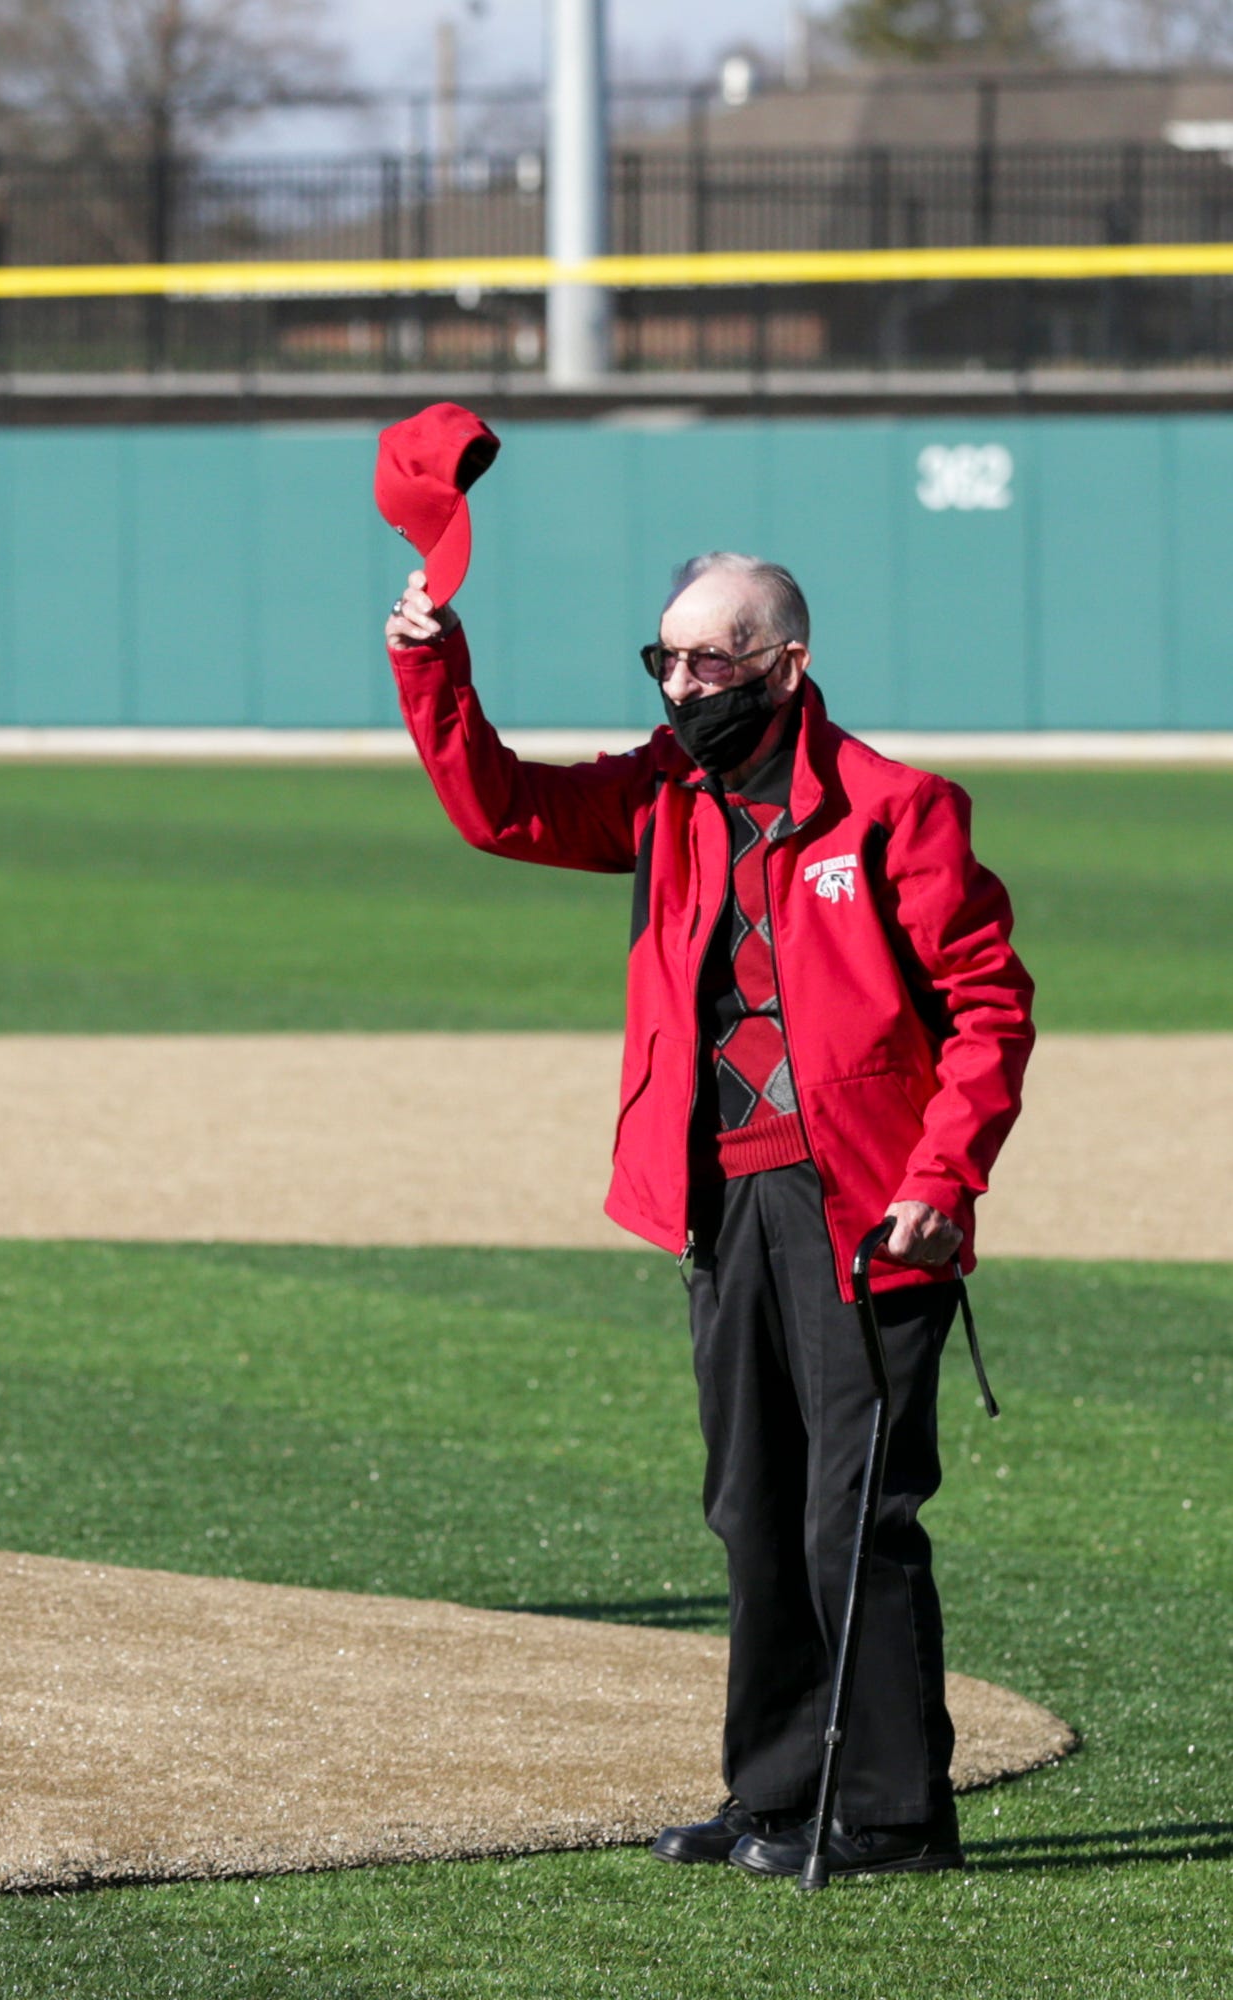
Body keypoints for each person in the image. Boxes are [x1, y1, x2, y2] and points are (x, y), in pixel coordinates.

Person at [385, 550, 1034, 1880]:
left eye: (709, 662)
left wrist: (939, 1181)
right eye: (664, 660)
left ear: (784, 668)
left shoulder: (896, 811)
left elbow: (988, 1007)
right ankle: (778, 1796)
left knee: (854, 1513)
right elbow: (500, 808)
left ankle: (895, 1817)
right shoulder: (662, 792)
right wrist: (429, 661)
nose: (681, 686)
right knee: (752, 1507)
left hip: (866, 1208)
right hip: (723, 1198)